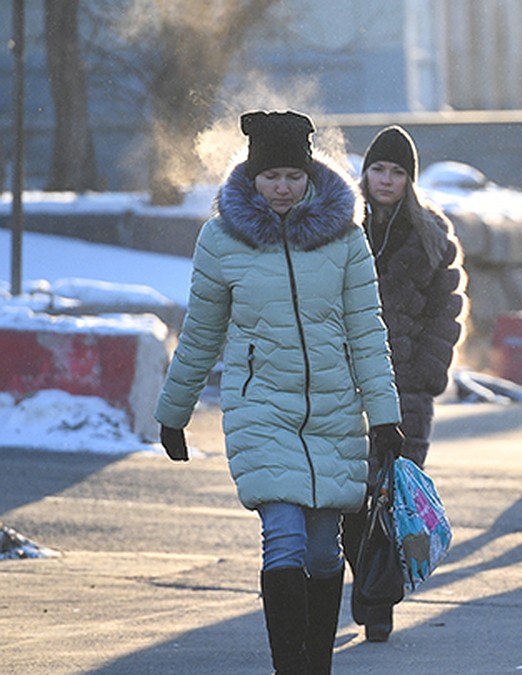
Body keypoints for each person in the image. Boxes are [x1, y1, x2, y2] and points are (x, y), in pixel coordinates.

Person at [155, 110, 404, 674]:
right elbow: (201, 332)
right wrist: (174, 411)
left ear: (310, 174)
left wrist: (385, 416)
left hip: (335, 413)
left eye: (293, 175)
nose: (283, 188)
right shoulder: (222, 239)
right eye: (272, 177)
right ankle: (288, 668)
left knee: (323, 553)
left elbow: (367, 330)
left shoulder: (345, 238)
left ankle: (316, 665)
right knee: (285, 542)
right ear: (252, 176)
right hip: (261, 409)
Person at [341, 124, 467, 641]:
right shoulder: (342, 229)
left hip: (406, 389)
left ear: (409, 179)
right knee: (349, 498)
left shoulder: (432, 235)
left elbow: (446, 314)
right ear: (365, 174)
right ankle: (364, 581)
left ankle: (378, 603)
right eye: (378, 169)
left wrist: (425, 374)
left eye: (396, 172)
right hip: (345, 389)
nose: (386, 180)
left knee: (391, 498)